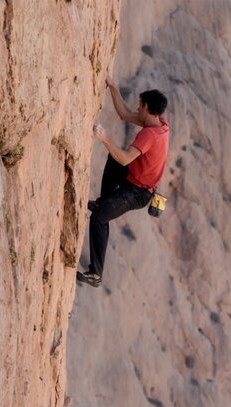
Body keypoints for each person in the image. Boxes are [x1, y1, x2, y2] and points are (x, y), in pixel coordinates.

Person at [77, 75, 169, 287]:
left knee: (100, 218)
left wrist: (104, 139)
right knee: (113, 161)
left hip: (137, 193)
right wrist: (112, 88)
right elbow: (124, 114)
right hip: (134, 178)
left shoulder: (149, 136)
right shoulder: (160, 124)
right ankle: (104, 200)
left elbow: (125, 157)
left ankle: (96, 273)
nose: (137, 109)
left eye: (140, 106)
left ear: (146, 108)